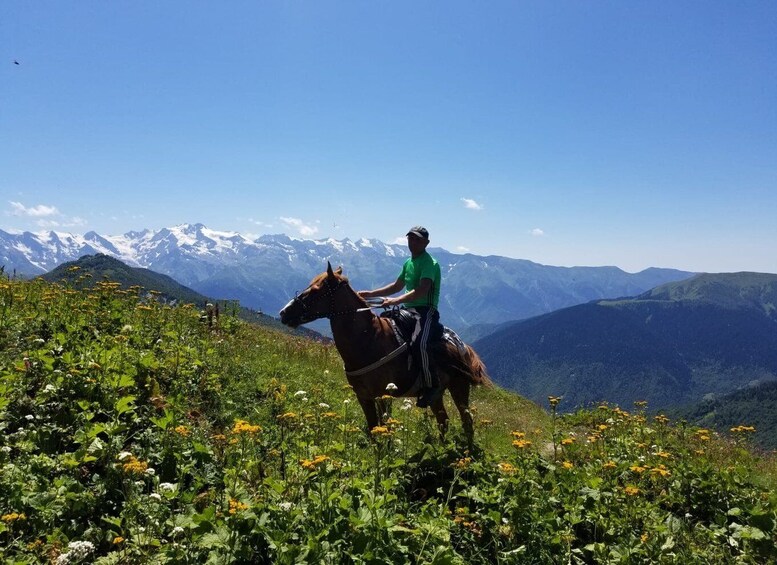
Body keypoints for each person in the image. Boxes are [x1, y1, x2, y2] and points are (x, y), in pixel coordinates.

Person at [358, 226, 443, 408]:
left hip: (425, 311)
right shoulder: (408, 263)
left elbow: (422, 290)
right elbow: (397, 285)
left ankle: (431, 385)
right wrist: (370, 294)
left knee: (420, 344)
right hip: (408, 310)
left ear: (426, 243)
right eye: (411, 239)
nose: (413, 243)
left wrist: (395, 300)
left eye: (417, 240)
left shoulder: (430, 263)